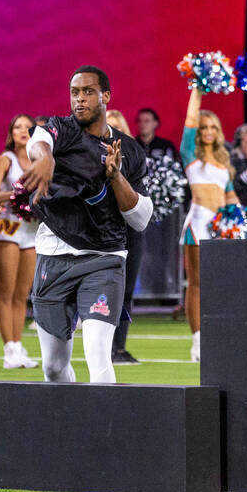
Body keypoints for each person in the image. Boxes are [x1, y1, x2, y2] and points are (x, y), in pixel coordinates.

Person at [19, 65, 152, 384]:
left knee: (97, 352)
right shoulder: (59, 130)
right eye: (75, 93)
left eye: (88, 92)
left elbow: (140, 218)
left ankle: (104, 433)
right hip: (54, 256)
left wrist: (116, 176)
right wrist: (45, 158)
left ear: (105, 96)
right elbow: (37, 141)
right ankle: (71, 426)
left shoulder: (129, 150)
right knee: (52, 366)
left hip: (104, 260)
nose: (79, 99)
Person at [178, 87, 239, 362]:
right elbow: (190, 120)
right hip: (199, 223)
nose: (208, 130)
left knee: (219, 285)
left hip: (222, 227)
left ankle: (216, 337)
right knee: (197, 284)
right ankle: (197, 342)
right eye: (204, 127)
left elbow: (230, 196)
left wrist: (241, 227)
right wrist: (198, 89)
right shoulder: (191, 154)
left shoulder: (224, 162)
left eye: (213, 126)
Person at [0, 114, 39, 369]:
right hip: (7, 226)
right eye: (17, 127)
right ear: (11, 132)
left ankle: (18, 345)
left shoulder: (40, 162)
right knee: (5, 292)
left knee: (22, 294)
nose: (23, 131)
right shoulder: (5, 160)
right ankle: (8, 349)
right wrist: (18, 194)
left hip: (31, 229)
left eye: (28, 127)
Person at [105, 109, 142, 364]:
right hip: (104, 230)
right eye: (109, 127)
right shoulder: (88, 158)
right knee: (106, 289)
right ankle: (104, 347)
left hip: (131, 230)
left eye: (118, 128)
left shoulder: (135, 158)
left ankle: (120, 347)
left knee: (127, 289)